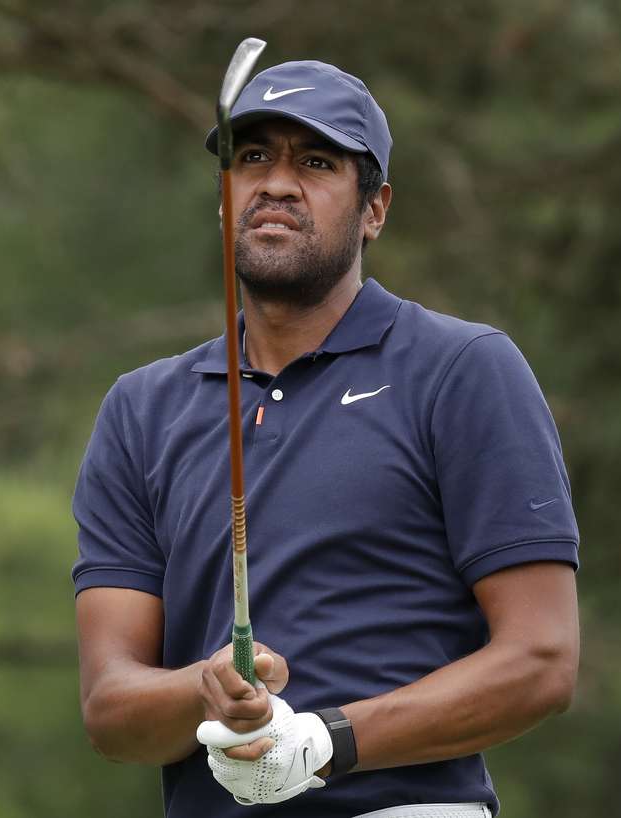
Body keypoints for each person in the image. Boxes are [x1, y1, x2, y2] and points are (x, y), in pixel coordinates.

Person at [72, 59, 580, 818]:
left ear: (374, 208)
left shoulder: (461, 369)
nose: (277, 184)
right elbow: (112, 711)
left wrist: (322, 742)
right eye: (252, 158)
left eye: (315, 162)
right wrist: (207, 690)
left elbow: (541, 660)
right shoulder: (142, 409)